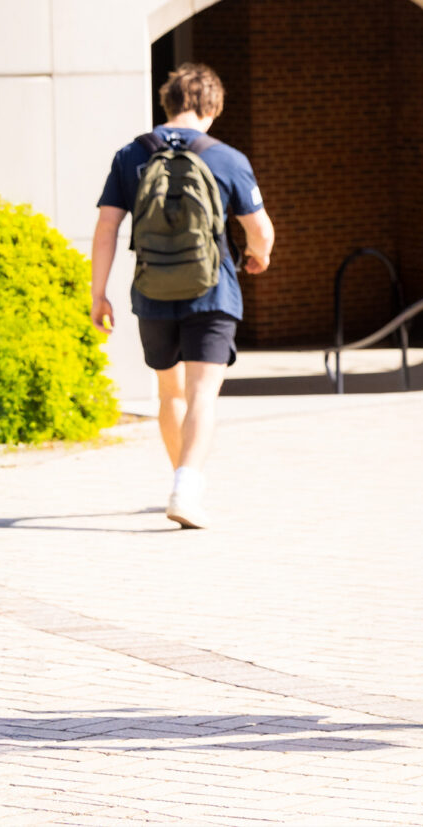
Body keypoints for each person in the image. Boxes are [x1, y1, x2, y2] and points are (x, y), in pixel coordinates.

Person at [91, 63, 272, 531]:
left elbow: (107, 227)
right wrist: (257, 258)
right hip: (213, 291)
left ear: (167, 104)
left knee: (169, 392)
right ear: (211, 109)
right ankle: (187, 488)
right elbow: (260, 232)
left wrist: (99, 294)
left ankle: (179, 480)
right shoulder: (228, 158)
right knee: (202, 396)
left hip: (152, 291)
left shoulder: (131, 155)